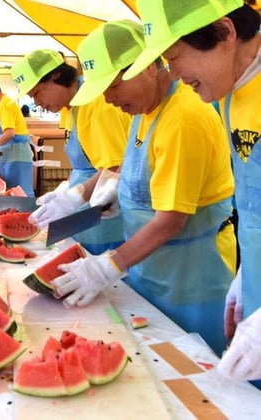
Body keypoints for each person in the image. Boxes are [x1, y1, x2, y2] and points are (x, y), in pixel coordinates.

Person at [48, 19, 237, 355]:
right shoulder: (145, 110)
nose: (108, 100)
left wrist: (106, 265)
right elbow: (143, 174)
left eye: (114, 86)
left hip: (193, 283)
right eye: (102, 90)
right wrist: (115, 193)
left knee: (197, 388)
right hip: (151, 272)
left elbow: (172, 218)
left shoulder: (183, 117)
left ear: (149, 65)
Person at [123, 0, 261, 382]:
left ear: (226, 33)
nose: (175, 74)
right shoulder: (230, 94)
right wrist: (249, 271)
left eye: (175, 57)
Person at [13, 49, 130, 255]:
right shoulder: (71, 107)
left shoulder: (96, 106)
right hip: (85, 215)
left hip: (105, 219)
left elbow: (115, 167)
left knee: (108, 280)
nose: (37, 103)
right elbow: (85, 163)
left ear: (56, 76)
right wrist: (66, 187)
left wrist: (74, 197)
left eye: (37, 93)